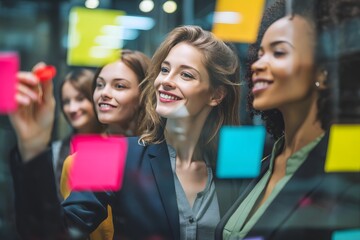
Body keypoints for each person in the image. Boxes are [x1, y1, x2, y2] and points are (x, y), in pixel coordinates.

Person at [9, 25, 243, 240]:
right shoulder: (110, 153)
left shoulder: (235, 166)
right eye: (164, 69)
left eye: (186, 75)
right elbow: (52, 233)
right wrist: (33, 147)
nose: (166, 81)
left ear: (216, 95)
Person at [215, 0, 360, 239]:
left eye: (279, 52)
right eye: (259, 54)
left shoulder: (344, 169)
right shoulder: (265, 164)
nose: (258, 65)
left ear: (324, 72)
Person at [60, 49, 151, 240]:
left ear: (144, 94)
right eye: (100, 85)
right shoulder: (81, 161)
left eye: (119, 86)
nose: (104, 94)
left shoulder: (163, 155)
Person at [52, 68, 104, 200]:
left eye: (80, 99)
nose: (72, 108)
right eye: (66, 102)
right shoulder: (56, 151)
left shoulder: (116, 145)